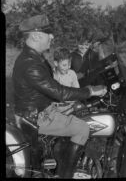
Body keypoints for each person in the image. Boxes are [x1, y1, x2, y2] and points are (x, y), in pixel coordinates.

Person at [12, 14, 107, 178]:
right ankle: (65, 174)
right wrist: (91, 91)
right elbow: (60, 92)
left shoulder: (35, 57)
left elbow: (56, 87)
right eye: (48, 32)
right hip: (38, 116)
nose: (52, 36)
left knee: (80, 113)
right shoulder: (30, 63)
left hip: (41, 110)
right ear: (35, 35)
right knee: (83, 128)